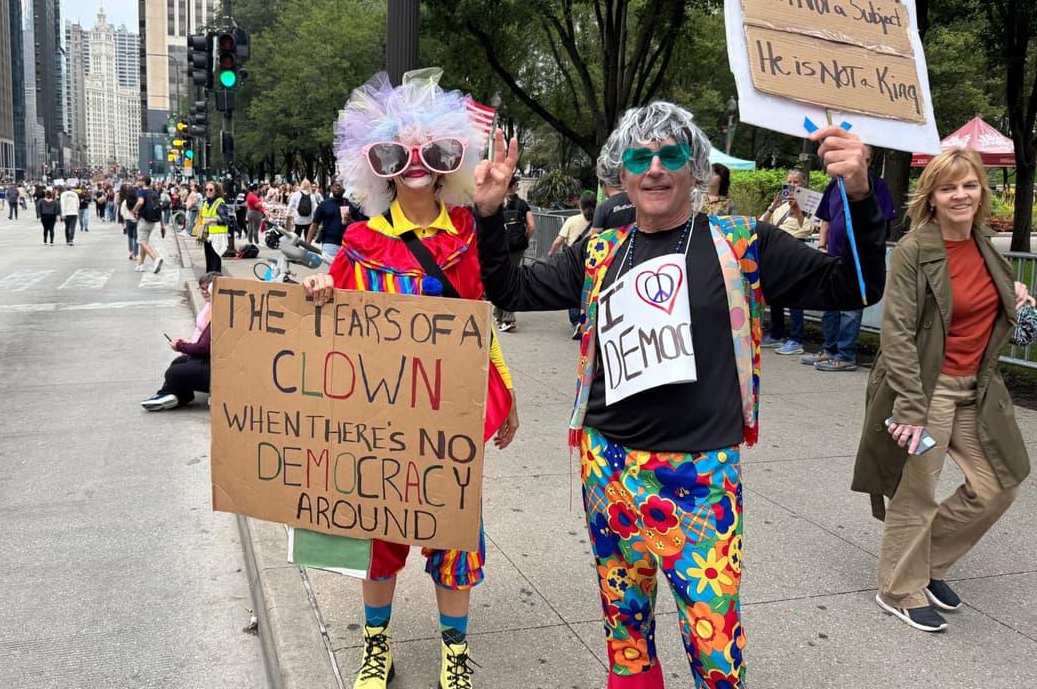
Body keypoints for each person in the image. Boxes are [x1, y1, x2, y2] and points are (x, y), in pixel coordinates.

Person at [475, 101, 888, 689]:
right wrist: (489, 214)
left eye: (671, 155)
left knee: (715, 649)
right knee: (626, 637)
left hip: (700, 480)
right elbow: (508, 286)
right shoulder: (599, 250)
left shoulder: (743, 243)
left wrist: (861, 194)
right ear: (620, 172)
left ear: (694, 168)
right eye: (640, 158)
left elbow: (854, 287)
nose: (655, 170)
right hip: (609, 471)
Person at [301, 69, 519, 689]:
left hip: (448, 418)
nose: (417, 165)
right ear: (381, 165)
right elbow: (327, 315)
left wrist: (508, 395)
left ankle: (455, 655)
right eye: (399, 153)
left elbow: (483, 317)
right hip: (381, 424)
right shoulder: (361, 241)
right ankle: (378, 648)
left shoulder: (466, 233)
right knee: (378, 541)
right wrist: (318, 286)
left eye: (434, 152)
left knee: (452, 538)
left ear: (452, 159)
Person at [854, 148, 1034, 633]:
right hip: (924, 391)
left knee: (998, 485)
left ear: (981, 190)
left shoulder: (985, 245)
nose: (960, 195)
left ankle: (926, 563)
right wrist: (911, 410)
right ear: (931, 196)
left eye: (969, 185)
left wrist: (1015, 294)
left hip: (975, 390)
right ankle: (899, 587)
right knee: (916, 494)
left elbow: (981, 306)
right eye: (948, 187)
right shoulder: (916, 249)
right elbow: (896, 334)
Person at [804, 145, 895, 372]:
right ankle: (829, 349)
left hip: (858, 257)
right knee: (830, 305)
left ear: (867, 161)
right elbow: (825, 217)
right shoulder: (835, 184)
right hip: (833, 254)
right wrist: (822, 245)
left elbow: (882, 222)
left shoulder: (877, 186)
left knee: (850, 308)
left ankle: (845, 354)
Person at [142, 271, 218, 410]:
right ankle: (173, 395)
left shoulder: (219, 311)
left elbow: (204, 348)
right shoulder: (211, 305)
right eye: (202, 288)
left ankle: (175, 395)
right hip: (203, 356)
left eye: (208, 289)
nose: (205, 292)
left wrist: (181, 346)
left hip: (212, 362)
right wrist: (187, 345)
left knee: (173, 373)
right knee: (177, 363)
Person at [758, 169, 813, 355]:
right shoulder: (780, 205)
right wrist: (773, 206)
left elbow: (806, 228)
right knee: (776, 293)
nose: (792, 185)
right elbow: (763, 224)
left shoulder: (809, 204)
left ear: (803, 185)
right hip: (776, 250)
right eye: (789, 181)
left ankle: (796, 339)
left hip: (796, 250)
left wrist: (797, 209)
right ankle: (776, 334)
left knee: (794, 294)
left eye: (796, 181)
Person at [550, 192, 596, 339]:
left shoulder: (572, 220)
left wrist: (551, 253)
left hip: (574, 261)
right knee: (588, 291)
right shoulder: (599, 220)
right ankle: (588, 321)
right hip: (593, 260)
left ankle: (576, 321)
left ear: (580, 205)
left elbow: (559, 240)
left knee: (573, 288)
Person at [494, 176, 533, 332]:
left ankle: (499, 314)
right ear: (515, 186)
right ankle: (508, 317)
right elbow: (531, 226)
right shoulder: (522, 204)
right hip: (517, 248)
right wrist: (524, 240)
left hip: (498, 246)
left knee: (499, 278)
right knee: (511, 279)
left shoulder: (497, 203)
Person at [306, 180, 351, 263]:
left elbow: (360, 224)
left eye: (340, 185)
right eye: (335, 185)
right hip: (329, 242)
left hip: (347, 244)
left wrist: (350, 220)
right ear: (331, 188)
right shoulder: (324, 204)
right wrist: (307, 244)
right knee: (331, 270)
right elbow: (314, 224)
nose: (338, 187)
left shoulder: (350, 204)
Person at [133, 177, 165, 273]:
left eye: (140, 180)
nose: (139, 182)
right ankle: (140, 264)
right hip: (153, 221)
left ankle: (155, 259)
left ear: (143, 182)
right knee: (144, 243)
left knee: (142, 242)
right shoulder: (153, 192)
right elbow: (159, 208)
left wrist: (134, 211)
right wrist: (162, 225)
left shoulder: (141, 192)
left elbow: (140, 202)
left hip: (144, 220)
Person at [197, 180, 229, 273]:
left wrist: (213, 220)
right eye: (206, 189)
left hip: (217, 236)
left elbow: (226, 220)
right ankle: (209, 282)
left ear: (216, 191)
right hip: (208, 235)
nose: (208, 191)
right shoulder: (206, 203)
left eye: (211, 190)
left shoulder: (220, 203)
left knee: (215, 262)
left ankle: (215, 282)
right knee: (209, 261)